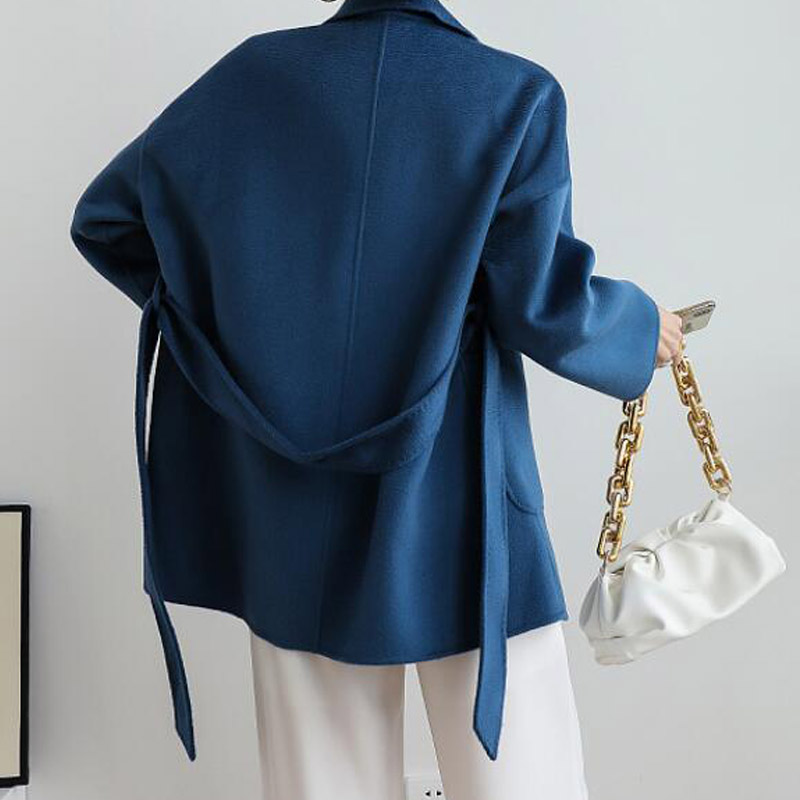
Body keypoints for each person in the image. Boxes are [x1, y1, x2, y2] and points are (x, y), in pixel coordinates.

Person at [69, 0, 684, 797]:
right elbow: (541, 304)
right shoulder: (510, 94)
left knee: (321, 784)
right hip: (458, 500)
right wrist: (640, 327)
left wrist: (238, 337)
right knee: (524, 777)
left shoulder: (247, 79)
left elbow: (108, 221)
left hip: (285, 505)